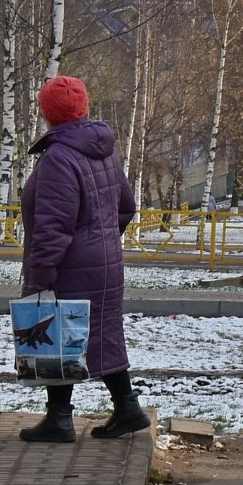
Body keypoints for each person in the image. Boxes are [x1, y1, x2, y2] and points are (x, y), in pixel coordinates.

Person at [17, 75, 149, 442]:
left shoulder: (59, 156)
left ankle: (60, 418)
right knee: (101, 336)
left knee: (55, 334)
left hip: (71, 266)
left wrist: (42, 272)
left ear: (48, 114)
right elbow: (126, 207)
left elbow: (52, 227)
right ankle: (126, 408)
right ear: (84, 106)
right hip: (106, 263)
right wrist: (103, 239)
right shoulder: (102, 150)